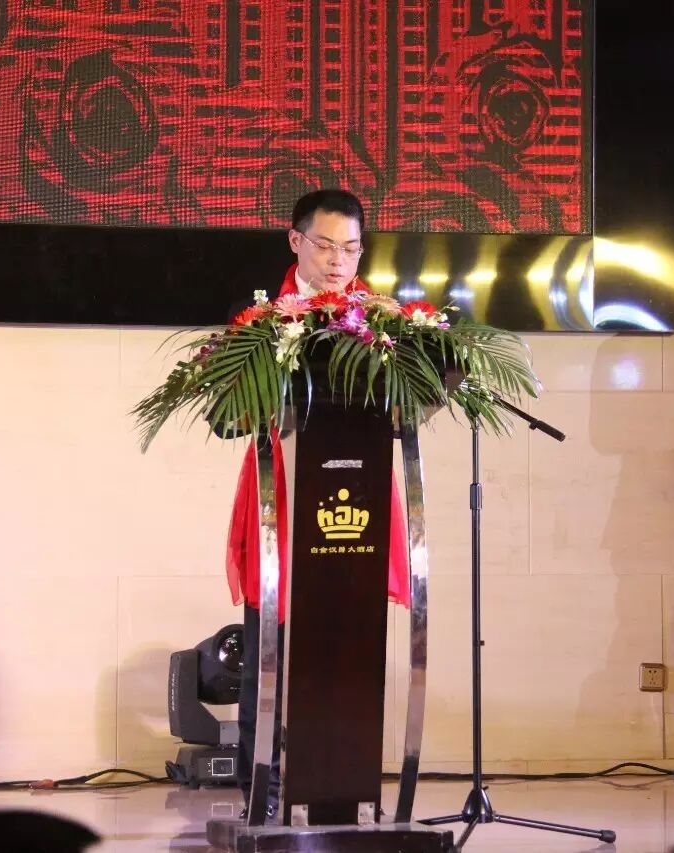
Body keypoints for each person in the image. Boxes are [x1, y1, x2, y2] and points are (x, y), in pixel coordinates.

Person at [223, 189, 411, 816]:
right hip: (285, 500)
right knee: (270, 648)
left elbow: (408, 406)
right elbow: (225, 418)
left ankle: (342, 788)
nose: (338, 261)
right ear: (295, 241)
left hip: (356, 504)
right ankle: (262, 793)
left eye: (351, 249)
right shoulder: (258, 320)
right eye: (326, 246)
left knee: (347, 645)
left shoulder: (385, 324)